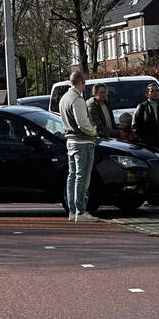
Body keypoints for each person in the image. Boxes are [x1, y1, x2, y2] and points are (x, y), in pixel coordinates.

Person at [59, 70, 98, 222]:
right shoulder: (77, 99)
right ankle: (81, 212)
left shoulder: (64, 99)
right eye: (84, 82)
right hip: (83, 141)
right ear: (81, 82)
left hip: (70, 141)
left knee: (72, 176)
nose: (85, 85)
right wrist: (93, 131)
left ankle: (72, 210)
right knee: (82, 176)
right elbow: (82, 123)